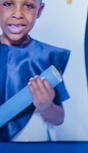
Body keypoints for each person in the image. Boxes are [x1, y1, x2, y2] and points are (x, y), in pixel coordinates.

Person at [1, 0, 69, 142]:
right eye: (8, 4)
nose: (18, 14)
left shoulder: (47, 57)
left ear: (39, 10)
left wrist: (46, 106)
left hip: (30, 144)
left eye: (28, 5)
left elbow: (58, 118)